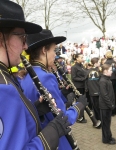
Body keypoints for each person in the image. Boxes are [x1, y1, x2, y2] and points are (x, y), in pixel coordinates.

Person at [0, 1, 71, 150]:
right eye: (22, 37)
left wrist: (35, 109)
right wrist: (52, 133)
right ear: (1, 38)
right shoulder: (3, 88)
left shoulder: (6, 77)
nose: (25, 46)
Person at [21, 29, 87, 150]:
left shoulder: (25, 75)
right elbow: (62, 118)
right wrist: (79, 106)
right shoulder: (45, 77)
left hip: (38, 135)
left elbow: (48, 104)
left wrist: (62, 94)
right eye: (53, 50)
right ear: (44, 50)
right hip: (55, 139)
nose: (55, 55)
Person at [99, 64, 116, 145]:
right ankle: (106, 139)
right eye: (110, 70)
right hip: (105, 106)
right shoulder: (103, 81)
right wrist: (111, 105)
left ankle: (109, 136)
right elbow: (104, 95)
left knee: (108, 122)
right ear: (105, 71)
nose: (112, 71)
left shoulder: (107, 79)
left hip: (108, 105)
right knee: (105, 123)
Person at [71, 53, 87, 123]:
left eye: (82, 57)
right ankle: (80, 117)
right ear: (77, 58)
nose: (82, 58)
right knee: (79, 102)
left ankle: (82, 116)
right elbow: (73, 78)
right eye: (81, 57)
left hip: (83, 86)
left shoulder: (82, 66)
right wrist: (83, 79)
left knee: (82, 101)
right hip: (78, 87)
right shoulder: (74, 67)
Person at [86, 57, 101, 127]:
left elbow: (86, 81)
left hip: (92, 92)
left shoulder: (88, 71)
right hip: (98, 91)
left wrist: (87, 89)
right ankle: (100, 120)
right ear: (95, 63)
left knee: (95, 107)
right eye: (98, 62)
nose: (99, 63)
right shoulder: (99, 71)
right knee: (99, 107)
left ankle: (97, 120)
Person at [104, 51, 116, 116]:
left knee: (109, 94)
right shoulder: (114, 62)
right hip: (114, 78)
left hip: (109, 79)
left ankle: (111, 110)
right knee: (114, 94)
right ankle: (115, 110)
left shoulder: (106, 62)